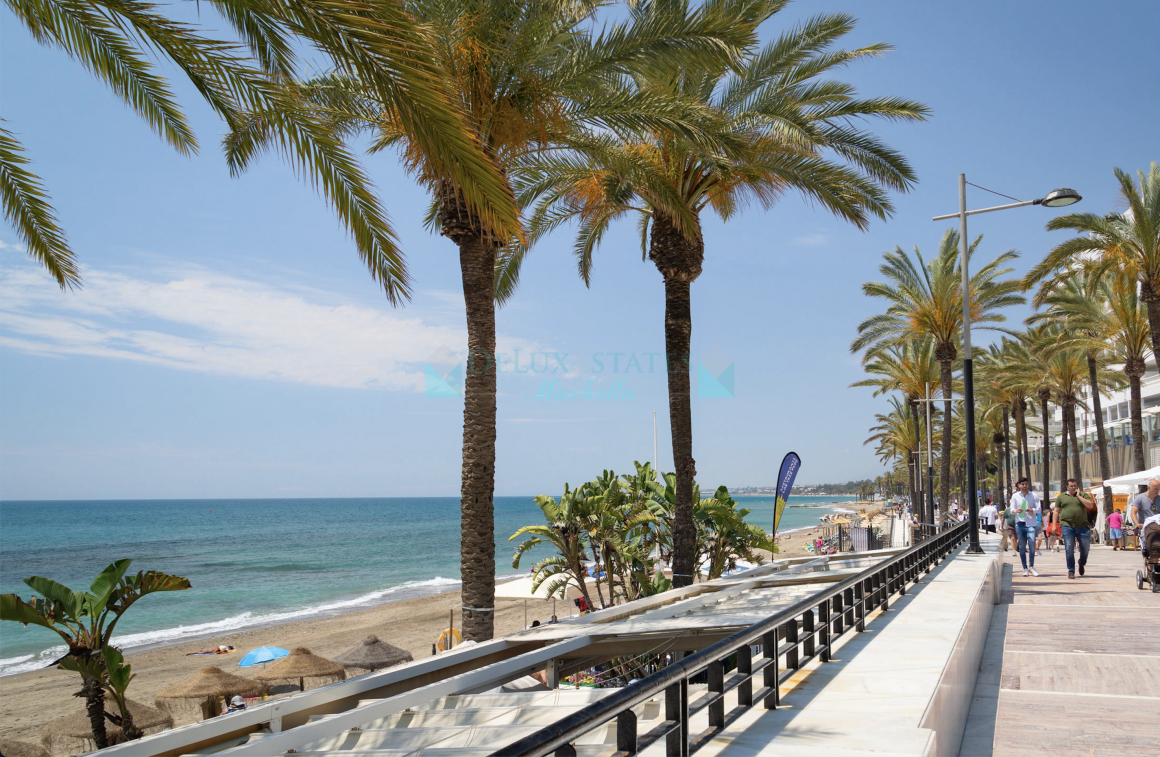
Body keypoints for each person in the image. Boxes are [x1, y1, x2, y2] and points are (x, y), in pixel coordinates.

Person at [1056, 478, 1096, 579]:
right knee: (1069, 548)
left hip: (1082, 526)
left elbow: (1090, 505)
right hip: (1067, 525)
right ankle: (1071, 570)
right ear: (1067, 487)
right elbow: (1056, 511)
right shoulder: (1061, 497)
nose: (1074, 488)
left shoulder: (1083, 495)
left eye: (1075, 486)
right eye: (1071, 486)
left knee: (1085, 548)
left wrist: (1078, 496)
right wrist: (1053, 525)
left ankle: (1081, 563)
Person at [1010, 477, 1041, 577]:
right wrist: (1016, 510)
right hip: (1020, 523)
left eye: (1026, 484)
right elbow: (1011, 509)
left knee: (1032, 544)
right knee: (1022, 547)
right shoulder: (1015, 496)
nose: (1024, 486)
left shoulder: (1033, 495)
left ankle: (1031, 566)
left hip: (1031, 523)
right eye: (1022, 484)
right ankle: (1025, 568)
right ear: (1019, 485)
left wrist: (1031, 510)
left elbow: (1039, 509)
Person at [1129, 479, 1159, 552]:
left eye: (1159, 489)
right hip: (1145, 526)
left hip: (1157, 526)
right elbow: (1133, 512)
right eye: (1155, 489)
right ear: (1149, 488)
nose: (1157, 491)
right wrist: (1137, 524)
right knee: (1148, 545)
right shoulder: (1140, 498)